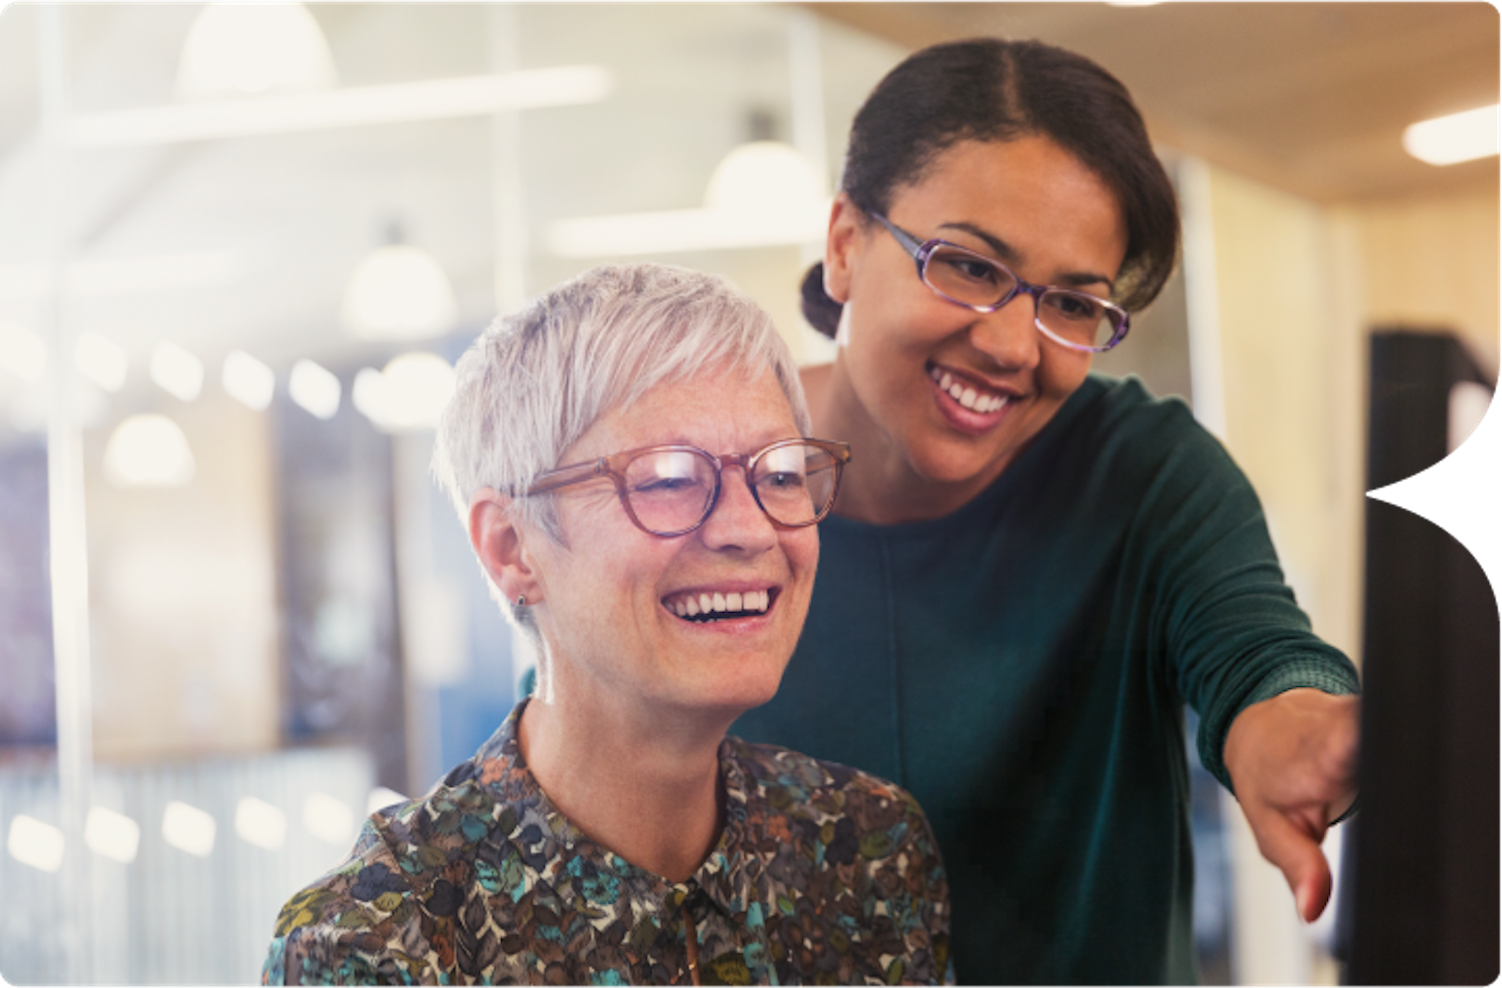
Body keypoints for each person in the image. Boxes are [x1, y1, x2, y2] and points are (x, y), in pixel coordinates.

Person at [733, 38, 1361, 987]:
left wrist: (1295, 731)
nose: (1013, 346)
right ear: (845, 243)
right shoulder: (710, 491)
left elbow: (1260, 655)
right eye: (971, 267)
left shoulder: (1139, 471)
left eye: (1072, 302)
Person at [261, 264, 952, 988]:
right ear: (510, 547)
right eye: (668, 479)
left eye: (779, 473)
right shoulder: (379, 943)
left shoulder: (868, 854)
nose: (751, 529)